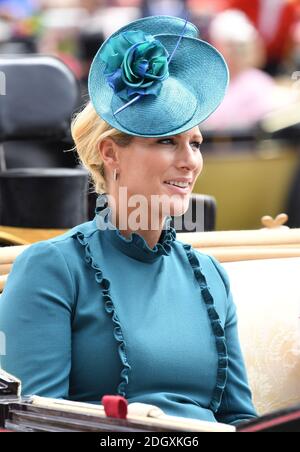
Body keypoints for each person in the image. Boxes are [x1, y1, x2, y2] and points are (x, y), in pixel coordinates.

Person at [0, 15, 257, 425]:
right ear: (110, 152)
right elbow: (32, 422)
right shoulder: (51, 269)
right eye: (166, 141)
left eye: (195, 142)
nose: (189, 161)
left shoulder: (211, 275)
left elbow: (242, 420)